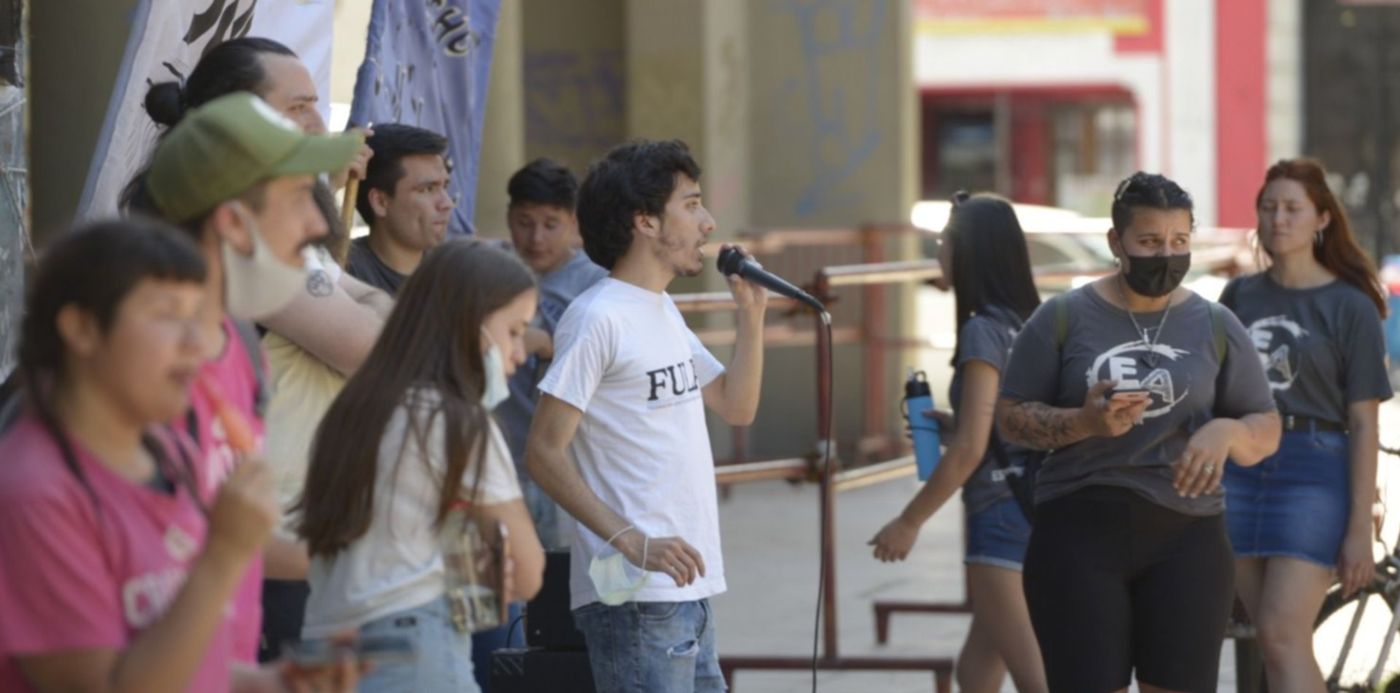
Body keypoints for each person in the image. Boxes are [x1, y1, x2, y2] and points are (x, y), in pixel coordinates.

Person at [0, 220, 353, 692]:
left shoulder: (172, 453)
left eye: (196, 315)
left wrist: (273, 683)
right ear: (81, 328)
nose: (196, 342)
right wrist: (224, 554)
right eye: (167, 314)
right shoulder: (34, 494)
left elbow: (182, 662)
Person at [138, 38, 394, 661]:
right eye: (297, 107)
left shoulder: (241, 324)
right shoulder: (234, 255)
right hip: (269, 566)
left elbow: (379, 315)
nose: (318, 224)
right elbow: (374, 345)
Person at [994, 172, 1281, 693]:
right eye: (1149, 241)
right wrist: (1083, 422)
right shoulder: (1062, 317)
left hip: (1188, 537)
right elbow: (1010, 417)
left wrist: (1225, 432)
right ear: (1116, 241)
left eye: (1179, 240)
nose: (1166, 255)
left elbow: (1266, 425)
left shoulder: (1216, 324)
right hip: (1078, 533)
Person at [526, 139, 768, 693]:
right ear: (646, 222)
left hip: (686, 586)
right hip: (634, 594)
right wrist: (631, 540)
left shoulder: (661, 309)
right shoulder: (597, 318)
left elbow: (736, 406)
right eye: (692, 204)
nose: (708, 223)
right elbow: (542, 452)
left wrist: (751, 319)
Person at [296, 239, 546, 692]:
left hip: (325, 650)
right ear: (471, 324)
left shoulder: (346, 415)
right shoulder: (456, 420)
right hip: (414, 645)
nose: (519, 353)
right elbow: (527, 573)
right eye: (513, 331)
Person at [1220, 158, 1392, 691]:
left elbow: (1365, 423)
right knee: (1273, 639)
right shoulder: (1238, 298)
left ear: (1322, 218)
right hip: (1241, 471)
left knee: (1280, 633)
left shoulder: (1350, 305)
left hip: (1314, 471)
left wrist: (1359, 528)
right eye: (1268, 207)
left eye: (1293, 208)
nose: (1279, 219)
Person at [869, 193, 1047, 693]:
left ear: (972, 254)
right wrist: (963, 424)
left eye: (945, 242)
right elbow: (1010, 423)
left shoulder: (981, 331)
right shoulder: (1028, 321)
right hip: (1038, 506)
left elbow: (969, 450)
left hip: (1001, 515)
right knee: (975, 673)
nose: (938, 253)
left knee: (1037, 680)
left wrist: (909, 521)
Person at [498, 158, 607, 550]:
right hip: (502, 461)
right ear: (509, 218)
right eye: (524, 223)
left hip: (569, 467)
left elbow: (615, 359)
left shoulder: (598, 281)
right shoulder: (489, 271)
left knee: (560, 576)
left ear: (573, 222)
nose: (536, 238)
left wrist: (548, 344)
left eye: (550, 224)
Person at [346, 124, 455, 296]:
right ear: (380, 202)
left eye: (445, 187)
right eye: (427, 189)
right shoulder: (339, 271)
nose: (447, 203)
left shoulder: (457, 277)